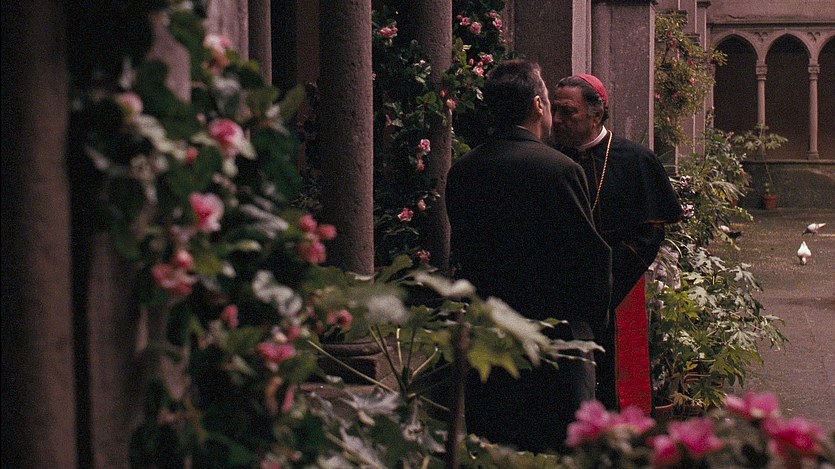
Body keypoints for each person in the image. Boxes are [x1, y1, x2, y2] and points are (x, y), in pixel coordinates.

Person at [445, 60, 613, 453]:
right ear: (539, 105)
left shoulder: (463, 170)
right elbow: (588, 258)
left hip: (490, 339)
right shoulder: (559, 170)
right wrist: (590, 326)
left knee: (496, 449)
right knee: (555, 450)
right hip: (553, 344)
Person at [550, 74, 683, 413]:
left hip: (619, 285)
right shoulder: (550, 159)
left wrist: (608, 275)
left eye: (568, 112)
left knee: (616, 384)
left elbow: (650, 232)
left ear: (597, 114)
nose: (558, 120)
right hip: (563, 290)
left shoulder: (635, 159)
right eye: (555, 110)